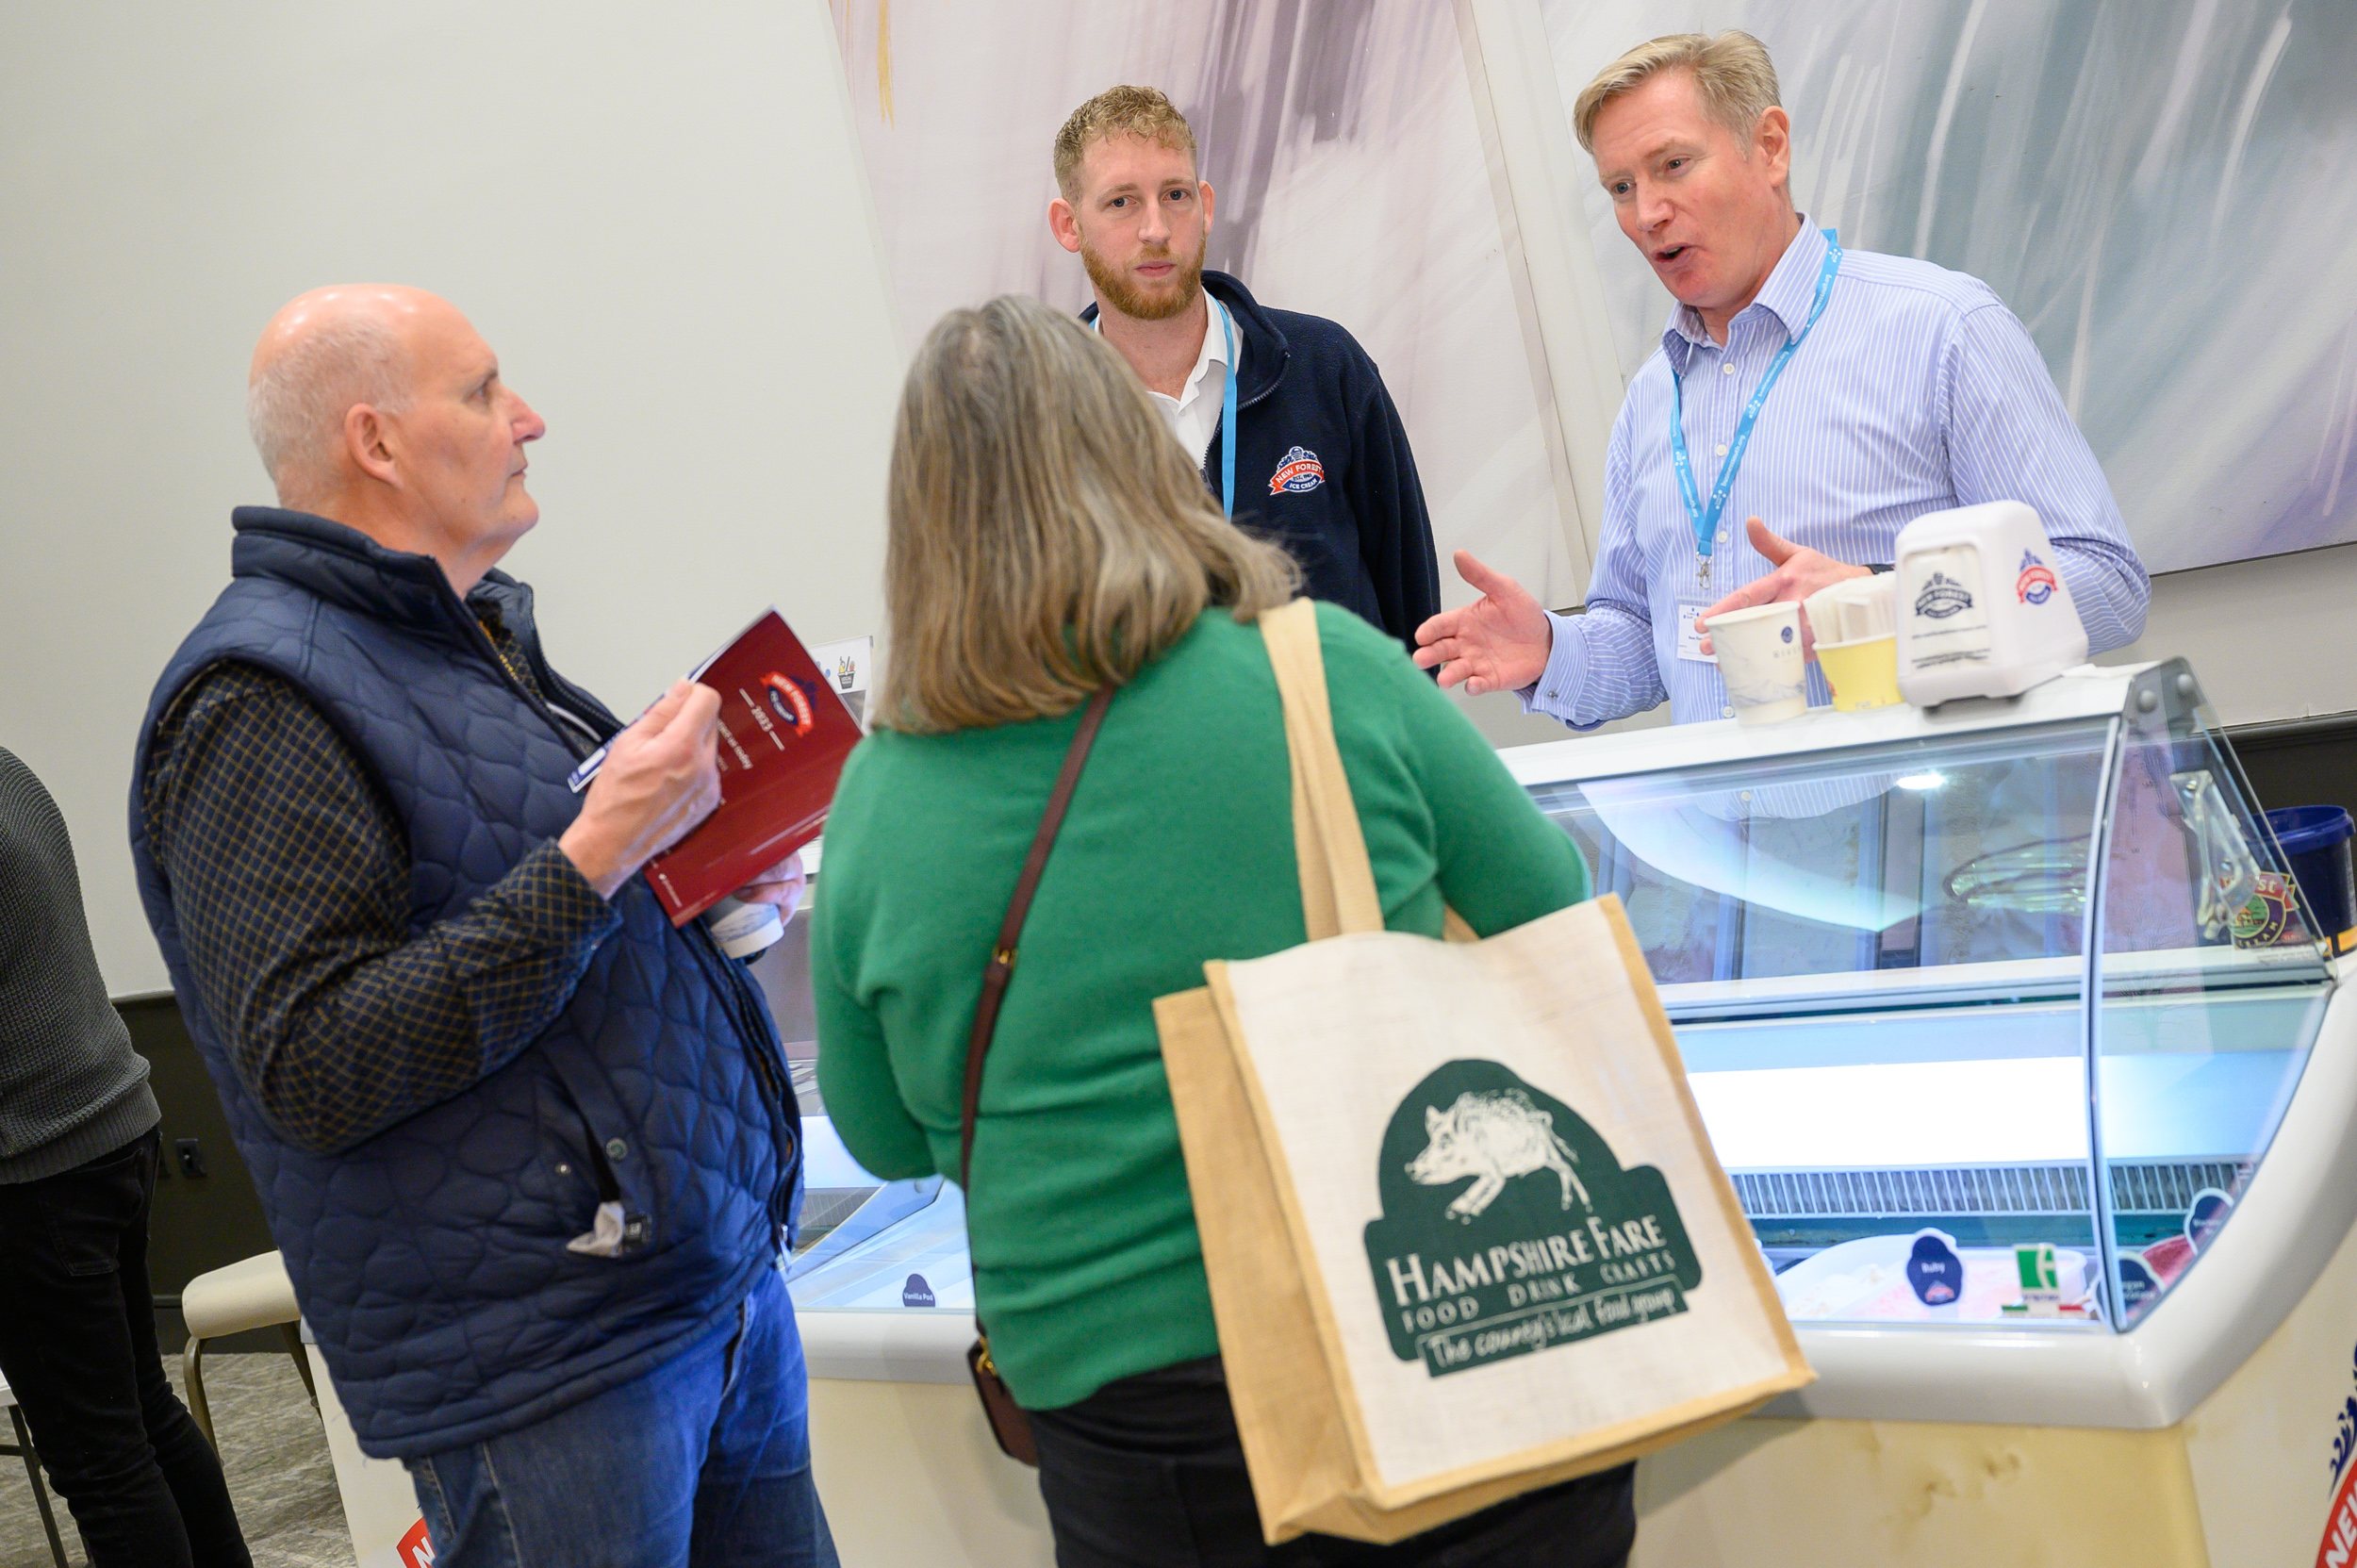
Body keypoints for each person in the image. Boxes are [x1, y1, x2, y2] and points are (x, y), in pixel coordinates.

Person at [810, 293, 1636, 1568]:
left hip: (1140, 1427)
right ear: (1136, 459)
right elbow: (1550, 912)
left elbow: (880, 1130)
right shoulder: (1323, 669)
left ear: (924, 523)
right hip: (1448, 1324)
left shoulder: (883, 795)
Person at [128, 286, 835, 1567]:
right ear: (376, 441)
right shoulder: (257, 699)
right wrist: (604, 848)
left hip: (701, 1290)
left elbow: (539, 911)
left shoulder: (469, 638)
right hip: (551, 1361)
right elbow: (317, 1062)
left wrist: (702, 897)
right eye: (483, 390)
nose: (530, 418)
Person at [1412, 30, 2150, 725]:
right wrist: (1551, 649)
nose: (1648, 213)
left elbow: (2106, 583)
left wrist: (1884, 602)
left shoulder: (1943, 328)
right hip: (1719, 820)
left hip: (1922, 811)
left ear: (1769, 147)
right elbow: (1645, 637)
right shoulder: (1650, 398)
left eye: (1673, 165)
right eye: (1620, 187)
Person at [1049, 85, 1442, 652]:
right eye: (1121, 202)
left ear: (1206, 206)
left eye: (1176, 195)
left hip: (1331, 713)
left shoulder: (1323, 367)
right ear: (1069, 225)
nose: (1156, 229)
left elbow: (1414, 615)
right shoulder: (1037, 426)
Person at [0, 747, 253, 1568]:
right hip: (110, 1125)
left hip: (35, 1168)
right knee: (143, 1414)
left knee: (104, 1468)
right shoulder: (8, 769)